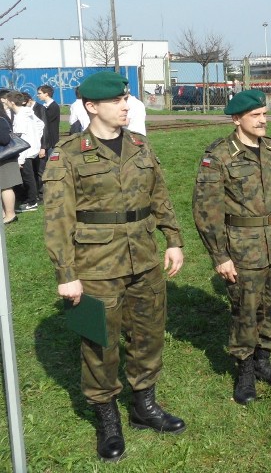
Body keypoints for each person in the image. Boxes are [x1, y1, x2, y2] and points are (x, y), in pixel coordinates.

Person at [42, 71, 185, 462]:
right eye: (117, 101)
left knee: (149, 334)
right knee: (99, 342)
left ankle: (144, 406)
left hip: (144, 258)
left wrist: (173, 239)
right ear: (92, 106)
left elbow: (160, 195)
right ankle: (107, 418)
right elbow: (57, 218)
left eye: (126, 99)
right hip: (94, 265)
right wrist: (66, 274)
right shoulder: (67, 153)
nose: (126, 106)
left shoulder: (139, 145)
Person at [193, 89, 271, 405]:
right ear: (237, 119)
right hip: (242, 248)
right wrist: (220, 255)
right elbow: (206, 210)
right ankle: (244, 370)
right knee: (246, 310)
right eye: (256, 116)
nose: (264, 120)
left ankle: (263, 360)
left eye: (265, 114)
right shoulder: (220, 157)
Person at [4, 91, 43, 212]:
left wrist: (20, 159)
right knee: (30, 176)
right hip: (32, 149)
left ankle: (32, 202)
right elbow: (41, 124)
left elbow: (21, 139)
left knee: (28, 177)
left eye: (7, 101)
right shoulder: (27, 112)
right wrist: (37, 141)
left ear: (11, 102)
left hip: (25, 153)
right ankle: (31, 199)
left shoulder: (21, 116)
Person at [0, 94, 23, 224]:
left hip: (5, 159)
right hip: (3, 160)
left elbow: (4, 139)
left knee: (6, 187)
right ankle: (4, 213)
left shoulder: (1, 119)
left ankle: (10, 214)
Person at [37, 85, 61, 200]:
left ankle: (53, 191)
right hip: (48, 140)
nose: (38, 95)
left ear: (46, 94)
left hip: (51, 141)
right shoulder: (46, 106)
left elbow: (45, 121)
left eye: (40, 93)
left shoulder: (53, 106)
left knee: (51, 167)